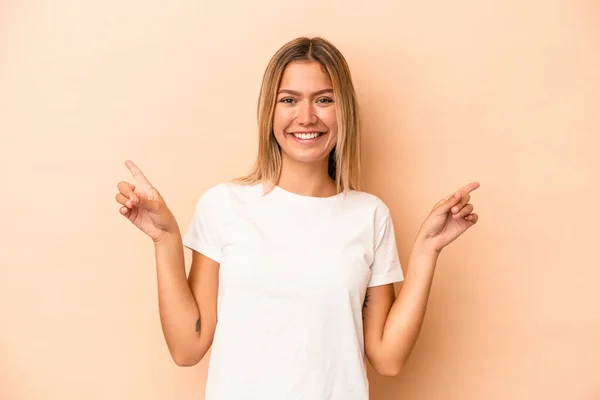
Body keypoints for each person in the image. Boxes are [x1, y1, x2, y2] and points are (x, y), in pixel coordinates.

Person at [115, 36, 479, 400]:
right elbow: (187, 347)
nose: (306, 117)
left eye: (324, 100)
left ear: (344, 111)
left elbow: (387, 359)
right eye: (288, 100)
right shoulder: (223, 205)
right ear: (269, 112)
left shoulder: (369, 215)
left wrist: (427, 250)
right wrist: (165, 240)